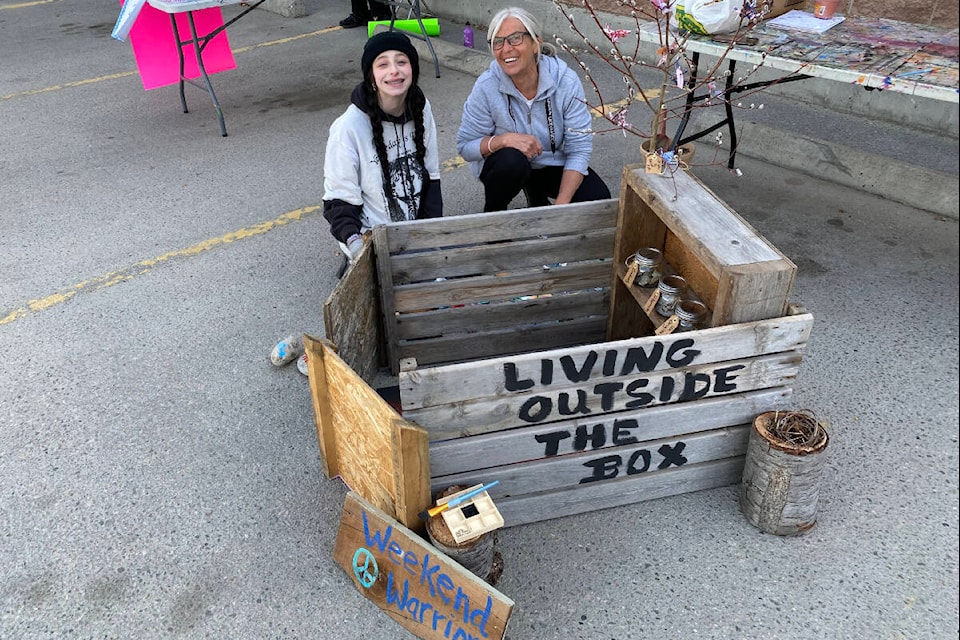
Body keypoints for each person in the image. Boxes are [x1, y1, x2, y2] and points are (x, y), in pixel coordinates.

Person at [269, 32, 442, 378]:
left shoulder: (422, 110)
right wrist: (359, 251)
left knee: (425, 319)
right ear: (371, 76)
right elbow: (338, 206)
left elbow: (432, 183)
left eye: (402, 62)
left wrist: (427, 241)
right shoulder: (348, 127)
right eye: (383, 64)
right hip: (366, 241)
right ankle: (319, 346)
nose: (394, 71)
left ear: (413, 69)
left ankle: (334, 336)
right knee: (367, 334)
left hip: (407, 238)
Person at [456, 7, 611, 212]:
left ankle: (536, 193)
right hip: (507, 164)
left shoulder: (565, 81)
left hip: (550, 162)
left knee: (597, 198)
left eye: (515, 38)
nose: (506, 48)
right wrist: (503, 140)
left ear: (536, 43)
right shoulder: (487, 86)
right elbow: (466, 146)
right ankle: (493, 215)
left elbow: (579, 150)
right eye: (498, 42)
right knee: (512, 162)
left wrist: (560, 208)